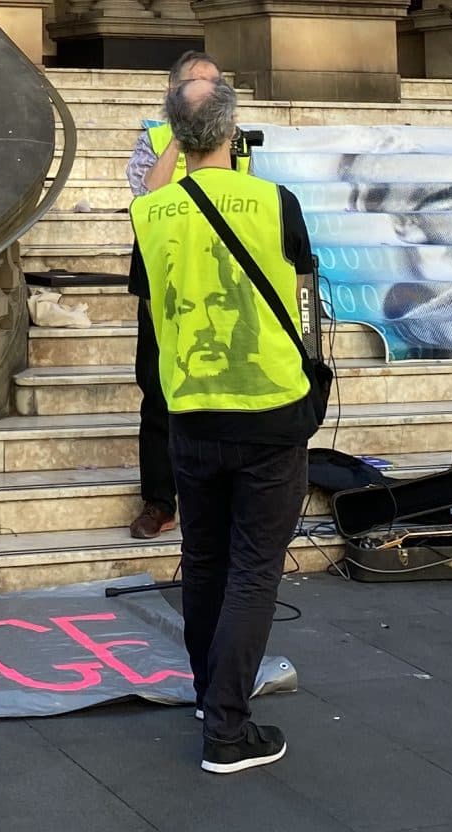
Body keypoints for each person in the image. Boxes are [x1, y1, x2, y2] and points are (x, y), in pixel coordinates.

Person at [129, 71, 316, 776]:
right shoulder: (274, 200)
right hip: (267, 405)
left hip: (192, 410)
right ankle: (228, 731)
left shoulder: (152, 212)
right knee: (254, 569)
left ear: (175, 135)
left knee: (205, 561)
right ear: (234, 132)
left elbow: (148, 303)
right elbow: (306, 295)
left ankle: (212, 697)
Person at [123, 50, 236, 541]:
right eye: (194, 85)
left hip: (217, 277)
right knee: (158, 387)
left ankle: (217, 493)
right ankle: (158, 500)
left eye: (213, 86)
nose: (204, 94)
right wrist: (178, 136)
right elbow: (146, 198)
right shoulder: (153, 138)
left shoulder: (237, 142)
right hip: (165, 276)